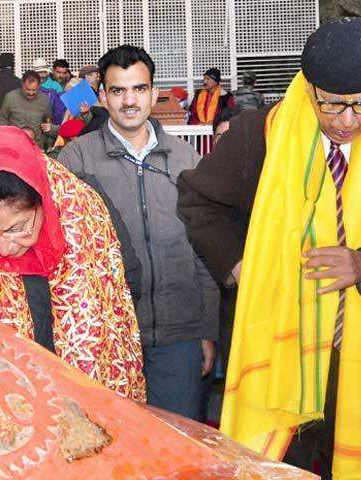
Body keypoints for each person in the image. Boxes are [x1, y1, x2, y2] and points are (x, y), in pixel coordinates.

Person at [177, 17, 361, 479]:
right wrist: (244, 266)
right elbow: (196, 199)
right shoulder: (261, 134)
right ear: (308, 87)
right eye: (331, 105)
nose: (347, 121)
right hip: (280, 357)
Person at [59, 45, 219, 422]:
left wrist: (206, 328)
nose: (129, 101)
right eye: (118, 91)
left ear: (152, 92)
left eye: (139, 89)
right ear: (102, 95)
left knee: (178, 447)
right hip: (108, 337)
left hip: (179, 335)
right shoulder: (75, 161)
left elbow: (205, 249)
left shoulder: (185, 160)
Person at [0, 126, 145, 401]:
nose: (3, 247)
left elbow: (126, 284)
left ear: (43, 201)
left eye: (16, 228)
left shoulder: (82, 211)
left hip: (85, 392)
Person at [0, 70, 57, 150]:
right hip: (15, 146)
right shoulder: (10, 98)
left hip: (37, 147)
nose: (31, 93)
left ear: (39, 86)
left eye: (34, 90)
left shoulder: (45, 100)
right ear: (22, 84)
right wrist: (7, 138)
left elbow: (47, 122)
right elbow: (3, 119)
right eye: (28, 89)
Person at [34, 58, 67, 125]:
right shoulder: (29, 85)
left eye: (44, 72)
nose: (42, 75)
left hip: (51, 125)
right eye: (39, 72)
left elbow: (60, 110)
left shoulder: (56, 86)